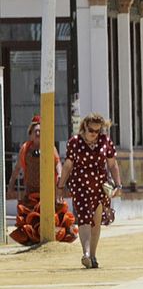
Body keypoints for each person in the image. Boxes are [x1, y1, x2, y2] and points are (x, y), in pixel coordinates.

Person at [60, 113, 120, 268]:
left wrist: (118, 185)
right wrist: (60, 186)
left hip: (100, 187)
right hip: (80, 186)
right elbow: (68, 165)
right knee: (84, 219)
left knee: (96, 222)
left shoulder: (105, 141)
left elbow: (112, 165)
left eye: (97, 131)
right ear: (84, 128)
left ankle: (93, 255)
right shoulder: (74, 142)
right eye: (91, 130)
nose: (94, 134)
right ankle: (85, 253)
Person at [8, 117, 75, 246]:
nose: (38, 133)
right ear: (30, 134)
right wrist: (11, 186)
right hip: (31, 190)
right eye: (35, 131)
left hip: (48, 191)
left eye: (40, 131)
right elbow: (17, 168)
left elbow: (57, 163)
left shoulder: (50, 147)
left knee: (56, 214)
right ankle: (33, 239)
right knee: (30, 217)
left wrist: (60, 175)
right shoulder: (25, 148)